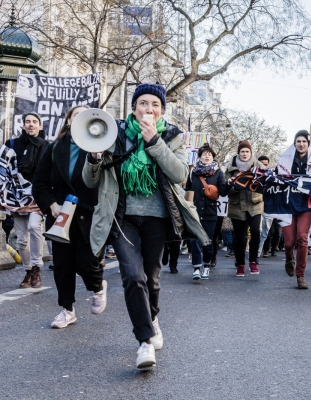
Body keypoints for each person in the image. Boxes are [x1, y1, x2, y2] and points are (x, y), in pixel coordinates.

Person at [82, 83, 209, 370]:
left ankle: (152, 317)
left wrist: (155, 143)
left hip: (157, 218)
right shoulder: (113, 133)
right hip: (122, 217)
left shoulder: (172, 136)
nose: (148, 109)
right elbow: (91, 181)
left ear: (161, 110)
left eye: (154, 104)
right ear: (134, 108)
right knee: (132, 275)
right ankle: (144, 342)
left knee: (151, 278)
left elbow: (179, 174)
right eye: (143, 103)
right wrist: (93, 157)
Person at [32, 105, 106, 328]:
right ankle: (67, 310)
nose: (81, 119)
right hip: (60, 216)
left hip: (88, 215)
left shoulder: (100, 146)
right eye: (77, 115)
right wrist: (51, 204)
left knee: (87, 262)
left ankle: (97, 287)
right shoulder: (55, 148)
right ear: (68, 121)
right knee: (63, 266)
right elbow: (40, 182)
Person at [275, 130, 311, 289]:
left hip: (306, 204)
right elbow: (276, 180)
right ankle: (289, 258)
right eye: (298, 141)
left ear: (308, 145)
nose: (301, 144)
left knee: (303, 238)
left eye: (304, 141)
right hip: (288, 204)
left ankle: (300, 276)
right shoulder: (284, 160)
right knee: (289, 242)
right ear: (294, 143)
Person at [8, 112, 49, 289]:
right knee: (21, 240)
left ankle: (37, 269)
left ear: (40, 126)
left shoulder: (47, 147)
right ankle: (28, 271)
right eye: (27, 122)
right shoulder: (12, 145)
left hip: (38, 196)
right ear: (23, 125)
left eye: (34, 122)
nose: (31, 124)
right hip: (17, 199)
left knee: (34, 227)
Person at [186, 144, 228, 281]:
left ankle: (207, 265)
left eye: (209, 154)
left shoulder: (218, 173)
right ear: (200, 156)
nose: (207, 156)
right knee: (194, 240)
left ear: (213, 157)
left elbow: (223, 191)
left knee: (208, 241)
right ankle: (197, 267)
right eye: (204, 154)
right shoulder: (193, 173)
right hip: (195, 212)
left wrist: (229, 184)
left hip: (210, 213)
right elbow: (188, 189)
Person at [224, 140, 263, 277]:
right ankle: (240, 264)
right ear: (238, 153)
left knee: (256, 232)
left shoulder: (259, 167)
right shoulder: (230, 168)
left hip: (255, 204)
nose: (245, 154)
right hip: (237, 206)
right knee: (240, 237)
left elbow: (266, 185)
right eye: (242, 151)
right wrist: (233, 186)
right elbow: (224, 190)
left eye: (247, 151)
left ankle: (253, 261)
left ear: (251, 153)